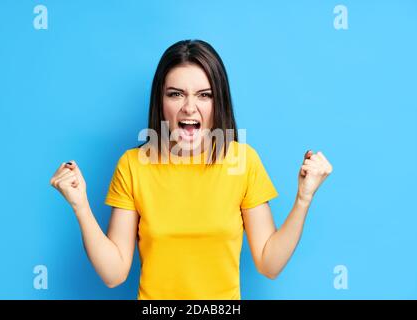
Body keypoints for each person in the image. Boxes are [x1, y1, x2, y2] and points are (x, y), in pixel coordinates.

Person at [49, 39, 333, 300]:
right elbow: (114, 274)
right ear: (160, 102)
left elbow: (269, 263)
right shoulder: (133, 165)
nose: (189, 107)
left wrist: (304, 199)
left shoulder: (242, 161)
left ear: (218, 100)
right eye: (176, 94)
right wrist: (80, 206)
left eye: (204, 95)